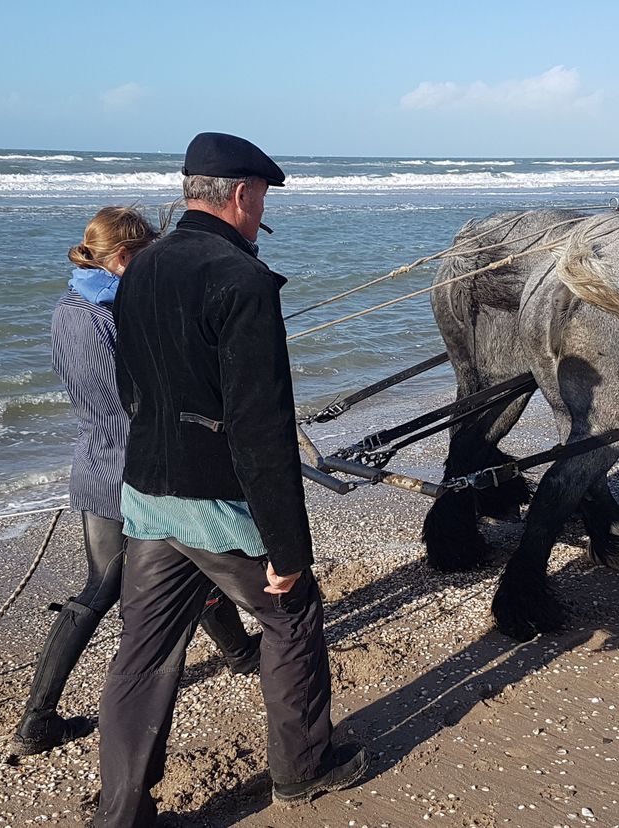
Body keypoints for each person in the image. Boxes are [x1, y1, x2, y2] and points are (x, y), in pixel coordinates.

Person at [94, 133, 366, 825]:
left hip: (147, 492)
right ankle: (304, 770)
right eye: (263, 200)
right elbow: (261, 427)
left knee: (144, 650)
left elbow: (132, 390)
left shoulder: (138, 266)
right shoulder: (241, 279)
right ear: (242, 195)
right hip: (213, 499)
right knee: (292, 611)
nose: (261, 213)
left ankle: (120, 811)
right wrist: (288, 549)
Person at [10, 206, 261, 757]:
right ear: (124, 259)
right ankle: (37, 720)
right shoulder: (109, 316)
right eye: (148, 258)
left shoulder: (72, 307)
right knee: (134, 578)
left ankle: (240, 655)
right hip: (132, 471)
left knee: (157, 572)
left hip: (97, 463)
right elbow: (132, 401)